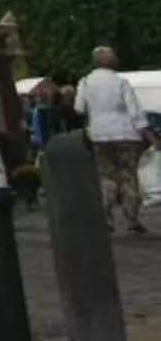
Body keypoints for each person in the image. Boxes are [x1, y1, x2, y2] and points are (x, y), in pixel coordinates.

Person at [73, 46, 149, 237]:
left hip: (99, 134)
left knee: (105, 176)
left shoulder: (86, 82)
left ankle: (107, 218)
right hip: (126, 134)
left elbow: (79, 108)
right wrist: (146, 132)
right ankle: (132, 219)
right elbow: (134, 110)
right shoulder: (121, 82)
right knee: (129, 176)